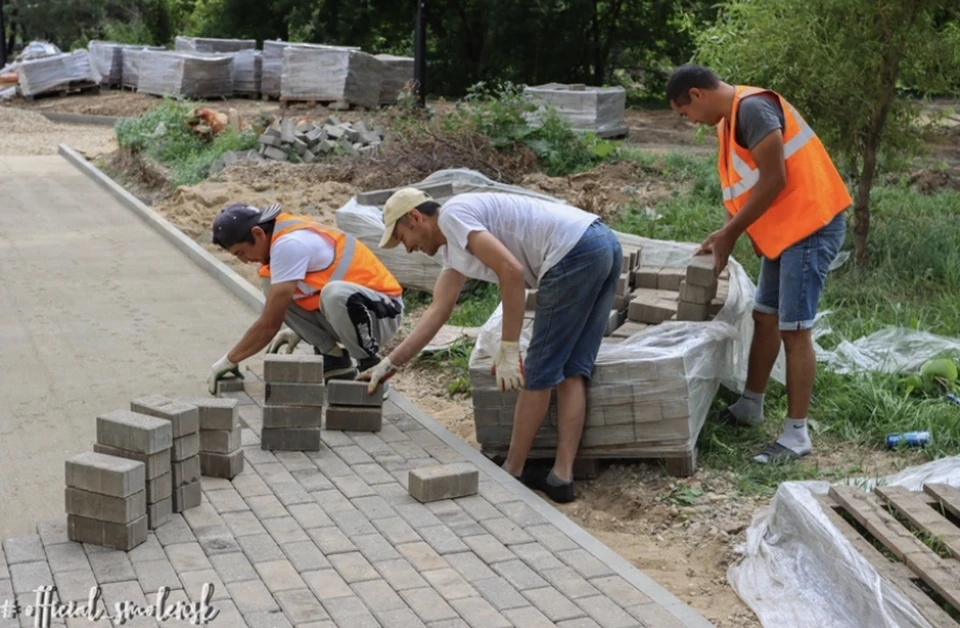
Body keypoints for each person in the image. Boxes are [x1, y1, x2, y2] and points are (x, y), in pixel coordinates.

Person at [358, 188, 622, 503]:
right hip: (602, 242)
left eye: (403, 237)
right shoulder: (454, 248)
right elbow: (438, 311)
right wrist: (390, 364)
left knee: (539, 370)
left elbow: (511, 272)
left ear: (415, 217)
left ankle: (512, 470)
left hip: (572, 252)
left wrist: (509, 349)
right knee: (572, 369)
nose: (409, 248)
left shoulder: (454, 215)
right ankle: (561, 478)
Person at [665, 64, 850, 464]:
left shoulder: (753, 109)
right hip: (786, 230)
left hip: (811, 225)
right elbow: (749, 187)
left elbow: (774, 179)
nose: (689, 121)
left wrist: (730, 233)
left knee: (794, 328)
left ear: (697, 94)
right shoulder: (728, 122)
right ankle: (751, 404)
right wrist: (731, 231)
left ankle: (797, 434)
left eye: (685, 113)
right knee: (765, 316)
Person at [207, 202, 404, 394]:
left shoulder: (289, 244)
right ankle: (334, 358)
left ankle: (370, 364)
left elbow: (269, 324)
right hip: (351, 313)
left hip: (383, 314)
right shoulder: (278, 236)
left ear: (258, 233)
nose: (244, 260)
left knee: (333, 293)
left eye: (241, 252)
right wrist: (302, 330)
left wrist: (230, 360)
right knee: (273, 285)